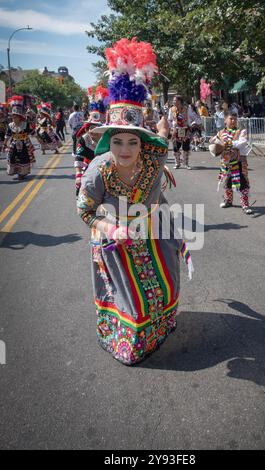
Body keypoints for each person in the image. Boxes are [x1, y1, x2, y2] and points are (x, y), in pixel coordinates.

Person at [77, 38, 193, 366]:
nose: (125, 149)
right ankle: (127, 340)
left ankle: (160, 328)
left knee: (161, 286)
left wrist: (162, 173)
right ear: (107, 142)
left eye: (132, 141)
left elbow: (156, 188)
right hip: (114, 242)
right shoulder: (98, 170)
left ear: (142, 142)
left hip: (152, 233)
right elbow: (84, 209)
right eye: (117, 141)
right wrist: (110, 229)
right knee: (127, 295)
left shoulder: (154, 158)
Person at [209, 110, 252, 214]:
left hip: (239, 162)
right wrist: (213, 142)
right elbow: (213, 141)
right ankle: (228, 200)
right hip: (226, 162)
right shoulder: (220, 133)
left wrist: (227, 144)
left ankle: (245, 205)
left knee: (242, 183)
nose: (233, 121)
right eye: (231, 119)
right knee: (227, 182)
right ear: (225, 120)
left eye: (235, 119)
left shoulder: (241, 131)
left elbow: (242, 142)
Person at [4, 95, 35, 180]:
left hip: (24, 144)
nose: (13, 118)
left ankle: (22, 173)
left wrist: (39, 140)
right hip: (13, 145)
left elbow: (32, 132)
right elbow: (7, 135)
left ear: (19, 117)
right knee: (13, 158)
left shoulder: (25, 124)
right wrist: (4, 144)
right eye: (13, 117)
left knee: (23, 158)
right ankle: (17, 171)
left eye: (15, 117)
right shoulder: (10, 125)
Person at [74, 109, 104, 196]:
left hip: (107, 169)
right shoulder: (84, 139)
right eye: (90, 128)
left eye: (96, 128)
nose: (92, 131)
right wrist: (78, 175)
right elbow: (79, 157)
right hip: (88, 167)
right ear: (87, 129)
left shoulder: (108, 139)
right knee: (80, 187)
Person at [168, 95, 192, 169]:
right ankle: (177, 163)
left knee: (186, 147)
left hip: (185, 129)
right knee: (176, 147)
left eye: (175, 100)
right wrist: (170, 128)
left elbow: (191, 117)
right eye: (174, 100)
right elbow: (169, 119)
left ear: (180, 101)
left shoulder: (187, 109)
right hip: (176, 130)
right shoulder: (171, 109)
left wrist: (190, 125)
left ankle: (186, 163)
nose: (174, 101)